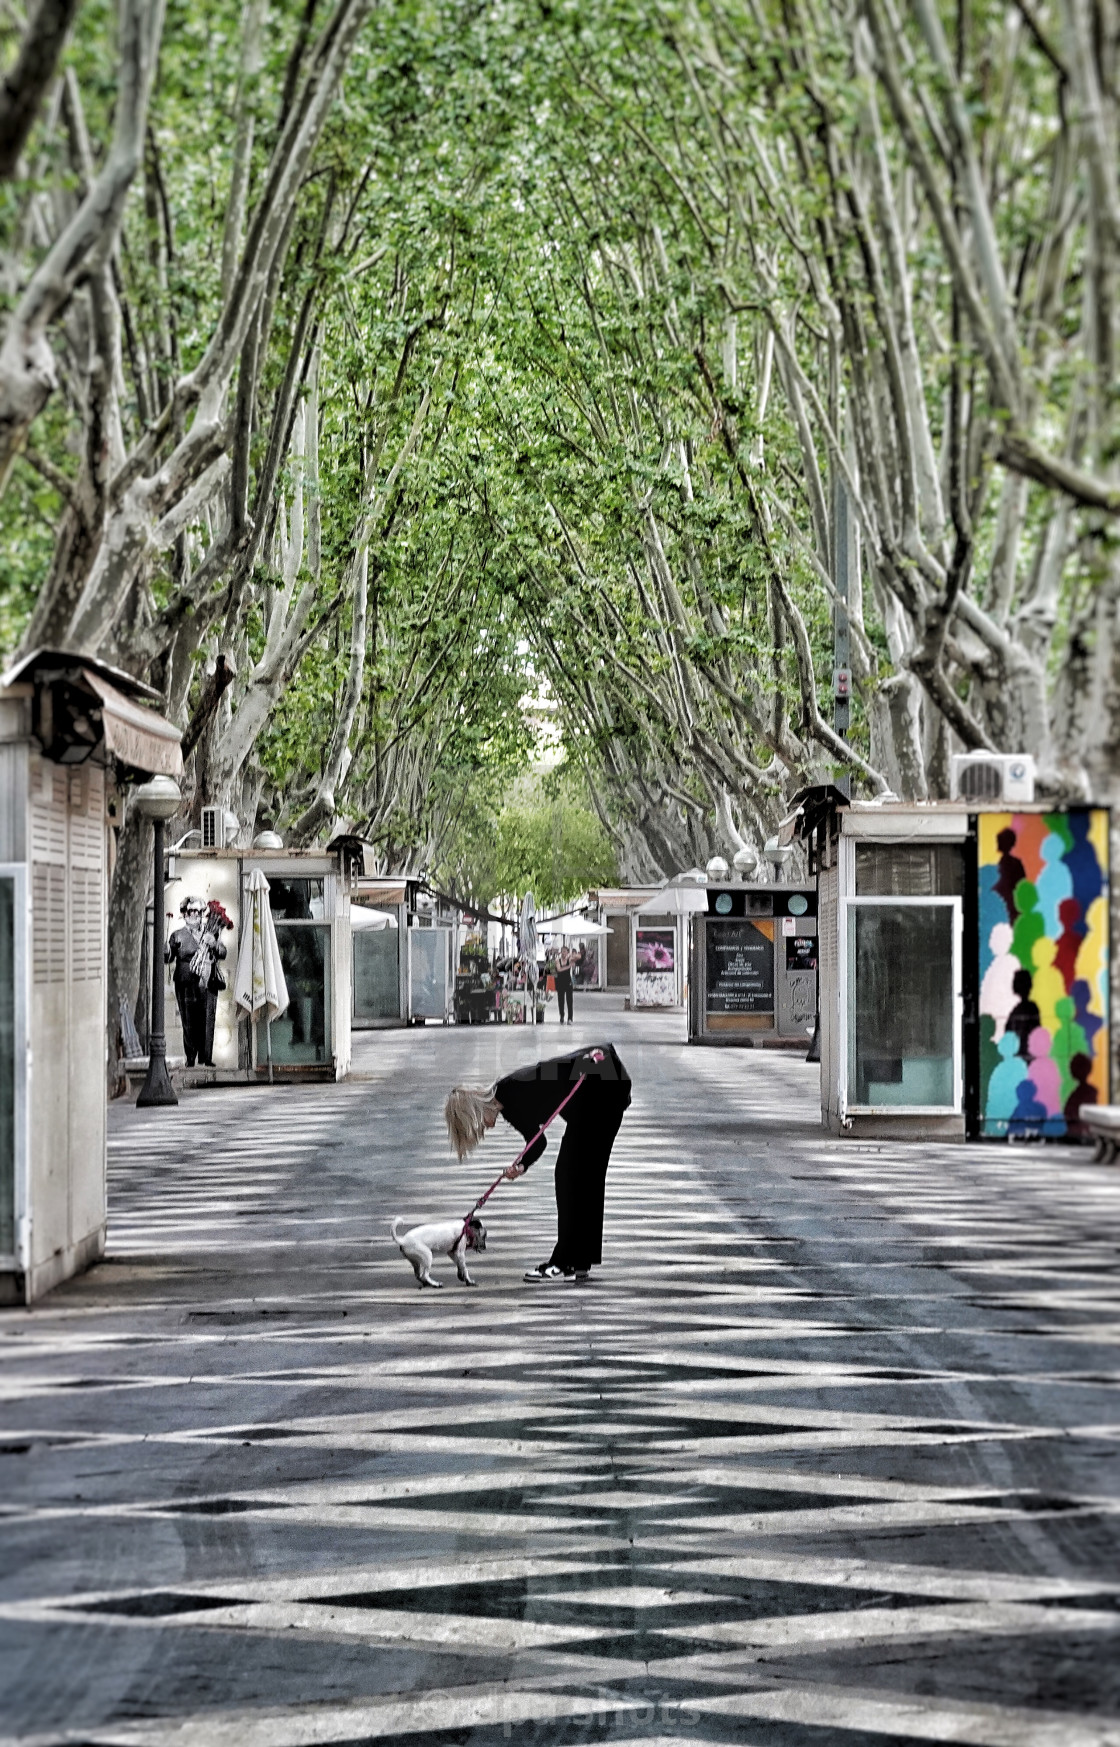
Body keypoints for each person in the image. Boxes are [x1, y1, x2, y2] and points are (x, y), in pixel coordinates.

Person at [444, 1042, 631, 1282]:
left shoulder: (511, 1087)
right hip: (596, 1099)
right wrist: (521, 1166)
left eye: (476, 1127)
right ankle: (579, 1261)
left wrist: (594, 1060)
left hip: (602, 1086)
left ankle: (562, 1262)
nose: (482, 1130)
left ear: (474, 1113)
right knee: (583, 1178)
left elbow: (553, 1069)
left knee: (570, 1177)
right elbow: (537, 1141)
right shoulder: (509, 1108)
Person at [165, 896, 208, 1066]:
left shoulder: (210, 933)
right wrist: (166, 950)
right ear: (184, 913)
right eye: (190, 911)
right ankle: (191, 1056)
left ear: (202, 913)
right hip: (184, 980)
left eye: (197, 911)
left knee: (204, 1017)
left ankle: (205, 1055)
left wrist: (215, 945)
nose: (194, 914)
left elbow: (222, 951)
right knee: (188, 1019)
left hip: (205, 979)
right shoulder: (177, 935)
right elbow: (168, 958)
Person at [555, 944, 574, 1024]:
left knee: (569, 1000)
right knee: (561, 1000)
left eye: (565, 952)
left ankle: (570, 1018)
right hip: (560, 982)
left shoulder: (569, 960)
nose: (563, 953)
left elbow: (576, 959)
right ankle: (562, 1016)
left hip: (568, 981)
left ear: (567, 952)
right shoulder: (557, 960)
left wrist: (571, 960)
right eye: (562, 951)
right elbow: (559, 969)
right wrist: (568, 966)